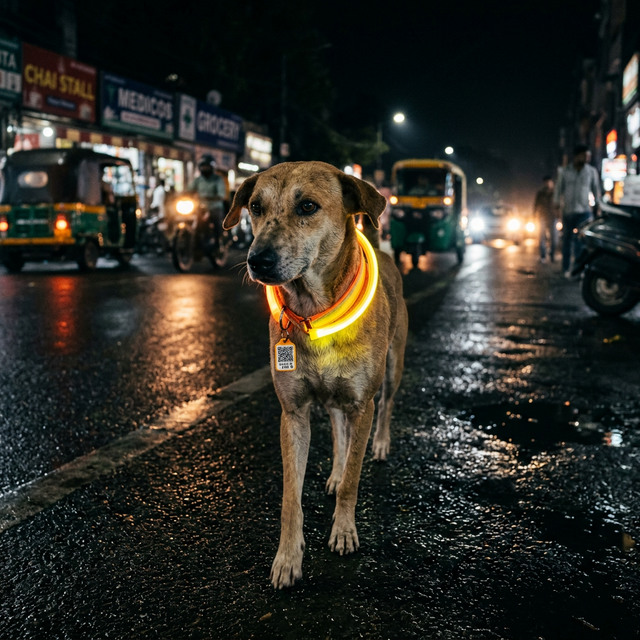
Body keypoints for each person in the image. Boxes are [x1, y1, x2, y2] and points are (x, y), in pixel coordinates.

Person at [554, 144, 601, 277]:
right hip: (568, 211)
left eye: (588, 156)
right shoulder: (564, 171)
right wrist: (556, 206)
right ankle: (565, 268)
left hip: (584, 211)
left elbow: (596, 191)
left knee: (580, 241)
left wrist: (598, 207)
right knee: (567, 240)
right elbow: (558, 191)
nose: (586, 158)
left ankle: (578, 269)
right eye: (583, 156)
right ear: (576, 156)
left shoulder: (591, 172)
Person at [187, 155, 226, 243]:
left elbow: (221, 194)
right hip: (200, 207)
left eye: (207, 166)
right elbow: (189, 190)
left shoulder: (218, 179)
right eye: (203, 166)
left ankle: (218, 244)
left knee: (217, 226)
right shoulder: (198, 180)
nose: (205, 168)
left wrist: (212, 198)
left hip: (215, 207)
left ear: (212, 167)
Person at [534, 175, 557, 262]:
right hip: (542, 216)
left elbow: (559, 204)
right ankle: (543, 256)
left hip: (553, 217)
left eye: (549, 182)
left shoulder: (555, 193)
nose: (547, 184)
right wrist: (535, 215)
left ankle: (552, 254)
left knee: (554, 238)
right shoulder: (540, 193)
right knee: (542, 237)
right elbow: (536, 205)